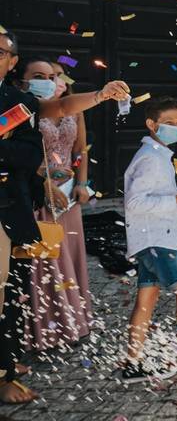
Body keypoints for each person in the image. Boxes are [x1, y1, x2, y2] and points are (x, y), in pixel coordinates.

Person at [13, 57, 95, 351]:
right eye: (47, 76)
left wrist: (84, 183)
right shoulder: (28, 109)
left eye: (58, 75)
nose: (53, 81)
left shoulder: (75, 110)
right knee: (44, 260)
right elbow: (20, 154)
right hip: (40, 194)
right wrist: (43, 184)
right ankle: (43, 329)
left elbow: (80, 149)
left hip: (69, 195)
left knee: (69, 256)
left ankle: (73, 319)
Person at [122, 96, 177, 383]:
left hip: (154, 239)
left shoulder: (159, 155)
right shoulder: (150, 158)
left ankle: (133, 363)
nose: (176, 127)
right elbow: (134, 203)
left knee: (146, 298)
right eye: (169, 123)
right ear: (151, 124)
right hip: (156, 240)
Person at [0, 31, 43, 404]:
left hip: (4, 207)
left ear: (12, 62)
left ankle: (4, 372)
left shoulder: (21, 102)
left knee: (7, 291)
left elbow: (29, 158)